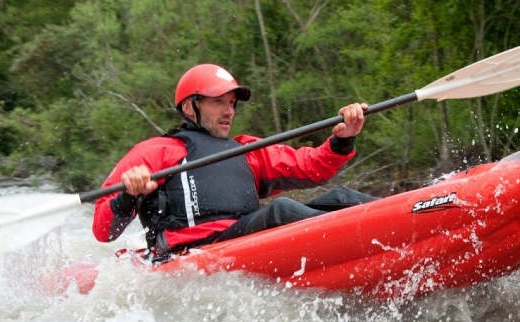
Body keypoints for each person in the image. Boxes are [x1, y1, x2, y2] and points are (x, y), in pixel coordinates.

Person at [92, 63, 377, 257]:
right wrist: (128, 195)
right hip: (196, 253)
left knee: (340, 197)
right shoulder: (157, 151)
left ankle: (412, 218)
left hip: (248, 240)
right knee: (280, 212)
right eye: (218, 102)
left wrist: (343, 139)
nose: (229, 110)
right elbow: (104, 231)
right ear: (191, 107)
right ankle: (371, 240)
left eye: (231, 103)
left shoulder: (245, 149)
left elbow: (311, 166)